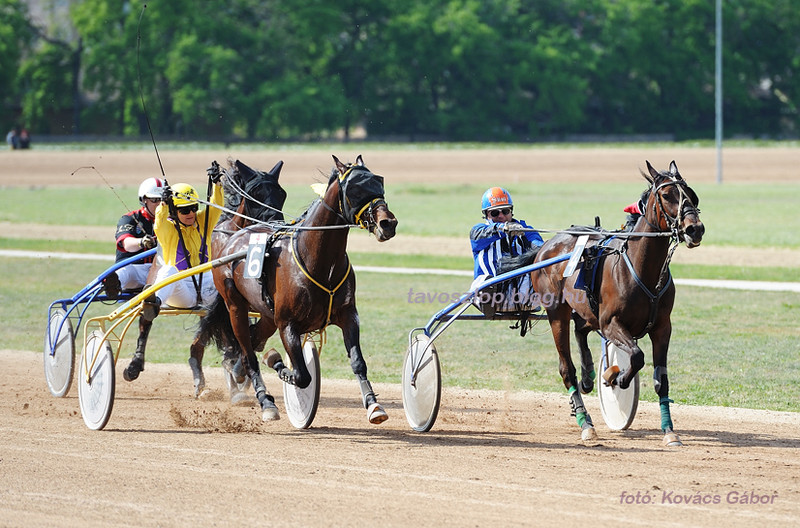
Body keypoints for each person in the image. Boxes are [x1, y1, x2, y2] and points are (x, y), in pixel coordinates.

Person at [124, 173, 224, 381]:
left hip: (206, 286)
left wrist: (217, 184)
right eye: (184, 210)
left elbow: (216, 206)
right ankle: (154, 303)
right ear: (174, 210)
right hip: (181, 290)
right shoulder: (166, 228)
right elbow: (159, 219)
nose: (191, 213)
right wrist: (164, 204)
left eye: (194, 208)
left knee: (225, 272)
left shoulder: (204, 222)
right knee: (168, 270)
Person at [470, 187, 544, 312]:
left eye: (505, 211)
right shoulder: (479, 231)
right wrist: (502, 228)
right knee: (484, 282)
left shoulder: (526, 230)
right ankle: (488, 298)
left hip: (522, 294)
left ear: (511, 211)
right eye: (495, 213)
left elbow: (540, 247)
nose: (501, 216)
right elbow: (481, 234)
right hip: (491, 291)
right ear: (486, 215)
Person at [103, 177, 164, 298]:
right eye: (154, 200)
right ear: (144, 200)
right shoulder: (129, 219)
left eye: (162, 200)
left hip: (159, 272)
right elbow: (127, 244)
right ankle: (113, 284)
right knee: (127, 271)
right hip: (135, 273)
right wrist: (141, 242)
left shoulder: (171, 221)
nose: (159, 204)